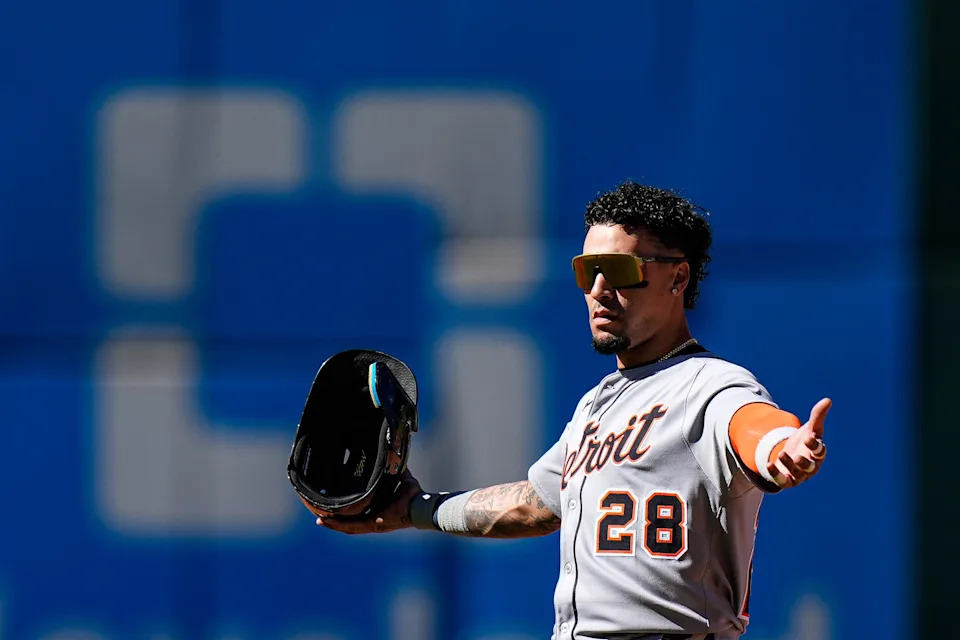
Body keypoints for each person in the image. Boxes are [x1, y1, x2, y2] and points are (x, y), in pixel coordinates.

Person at [312, 182, 830, 640]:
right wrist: (415, 510)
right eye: (588, 271)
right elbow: (537, 505)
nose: (599, 290)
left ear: (677, 278)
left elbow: (751, 423)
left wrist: (780, 448)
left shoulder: (709, 383)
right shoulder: (597, 404)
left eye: (620, 270)